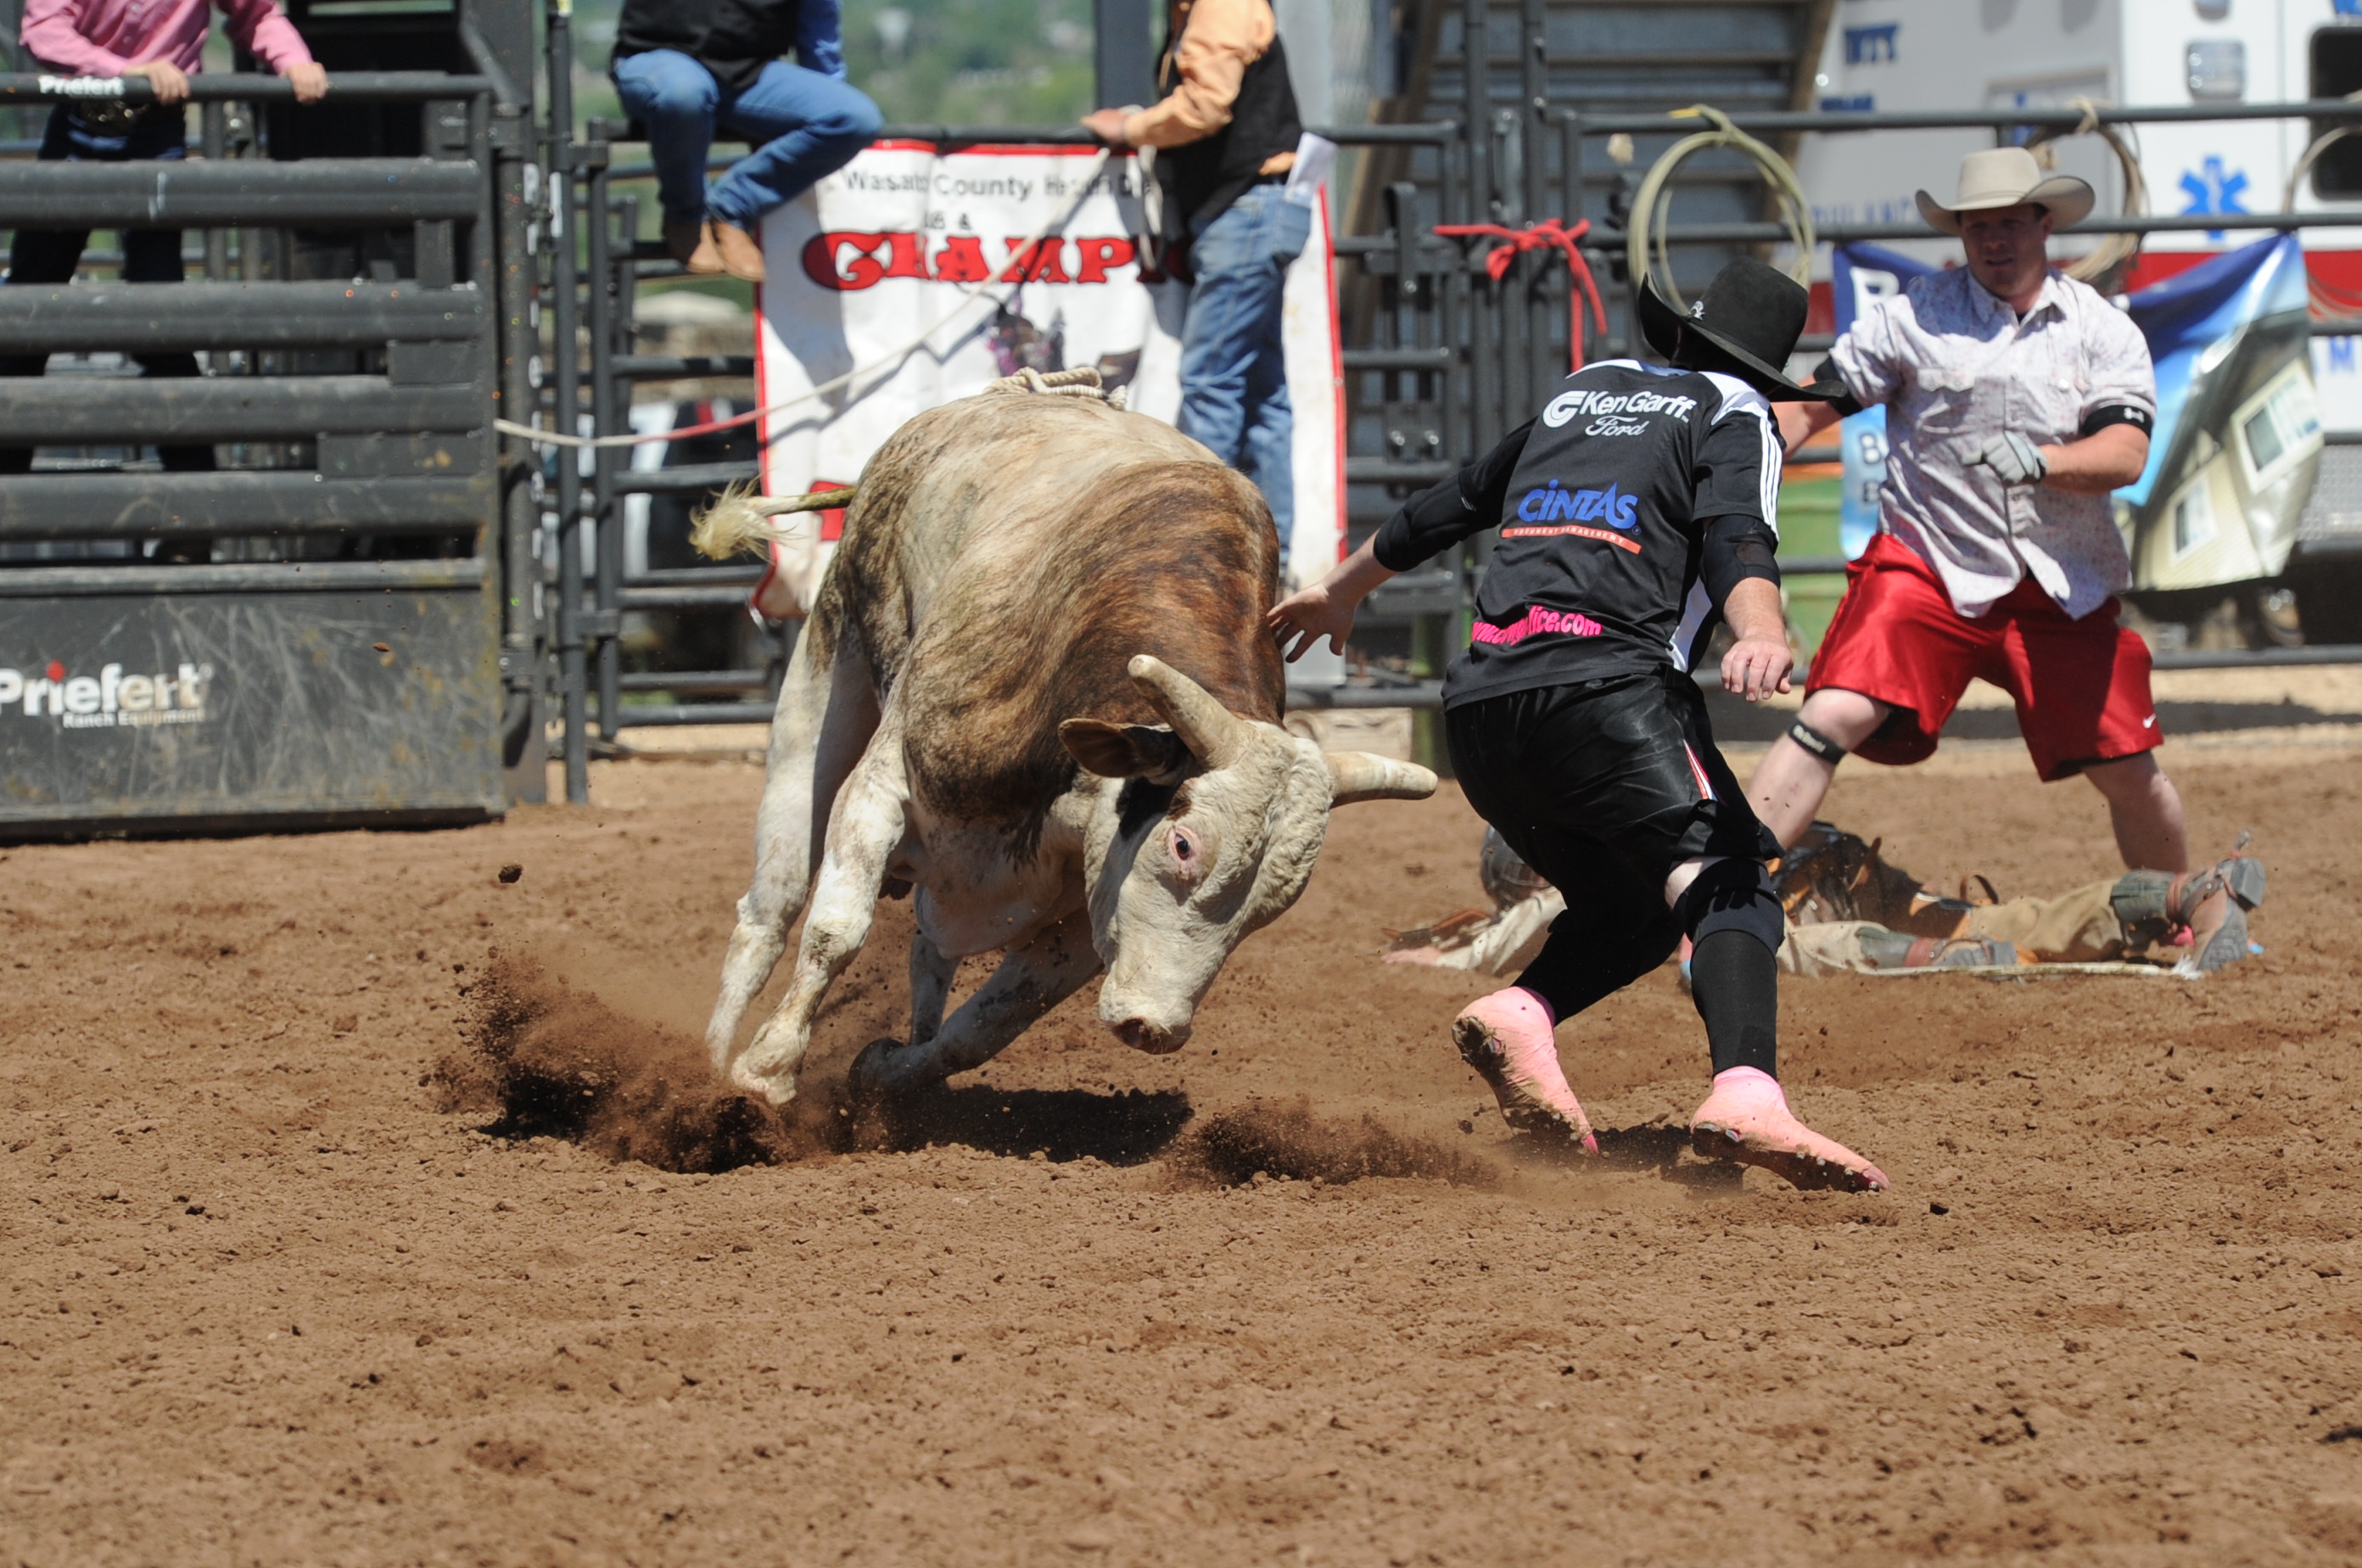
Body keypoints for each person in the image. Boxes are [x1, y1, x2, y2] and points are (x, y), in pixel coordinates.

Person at [1268, 256, 1887, 1194]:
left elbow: (1458, 499)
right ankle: (1746, 1091)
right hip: (1608, 694)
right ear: (1763, 371)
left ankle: (1525, 1010)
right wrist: (1760, 626)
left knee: (1638, 906)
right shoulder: (1738, 412)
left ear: (1674, 334)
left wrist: (1341, 591)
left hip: (1481, 713)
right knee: (1731, 881)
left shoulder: (1583, 395)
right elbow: (1735, 537)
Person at [1750, 146, 2264, 955]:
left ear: (2043, 224)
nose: (1993, 240)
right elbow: (1812, 408)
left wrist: (2047, 462)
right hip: (1927, 564)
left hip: (2061, 581)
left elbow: (2126, 454)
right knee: (1832, 711)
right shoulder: (1912, 316)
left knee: (2129, 769)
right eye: (1976, 225)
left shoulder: (2103, 331)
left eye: (2008, 223)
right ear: (1959, 234)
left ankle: (2176, 910)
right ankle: (1722, 905)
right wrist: (1724, 451)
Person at [4, 0, 326, 485]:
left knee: (162, 324)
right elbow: (44, 29)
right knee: (26, 319)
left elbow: (258, 14)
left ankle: (194, 509)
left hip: (152, 133)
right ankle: (8, 501)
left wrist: (294, 62)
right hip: (81, 126)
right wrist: (126, 72)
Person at [1082, 0, 1306, 555]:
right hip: (1258, 206)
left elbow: (1207, 105)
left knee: (1215, 383)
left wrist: (1132, 126)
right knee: (1260, 390)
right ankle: (1270, 556)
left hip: (1244, 209)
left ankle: (1197, 552)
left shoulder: (1220, 3)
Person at [612, 0, 882, 284]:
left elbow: (819, 30)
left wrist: (825, 93)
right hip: (660, 61)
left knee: (853, 118)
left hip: (747, 74)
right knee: (685, 94)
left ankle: (730, 208)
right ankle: (686, 214)